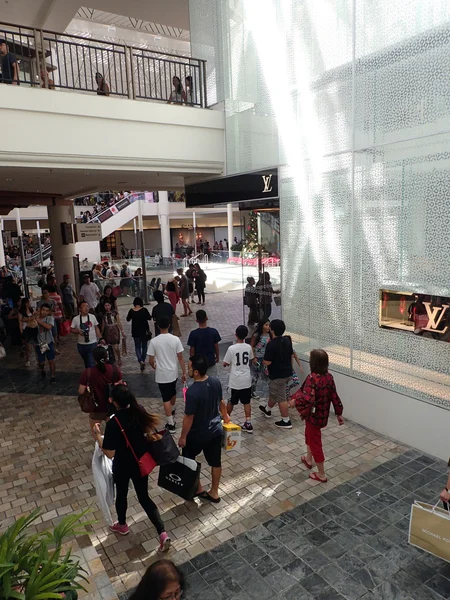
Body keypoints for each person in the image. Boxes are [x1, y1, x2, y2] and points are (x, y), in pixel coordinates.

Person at [95, 384, 171, 551]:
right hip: (140, 463)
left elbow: (109, 453)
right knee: (144, 497)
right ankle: (162, 532)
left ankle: (122, 524)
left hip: (122, 465)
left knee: (121, 494)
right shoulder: (139, 411)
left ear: (114, 402)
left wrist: (97, 437)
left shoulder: (114, 422)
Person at [178, 355, 230, 503]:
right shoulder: (215, 381)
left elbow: (189, 417)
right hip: (215, 431)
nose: (188, 370)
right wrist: (225, 416)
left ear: (195, 372)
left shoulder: (193, 392)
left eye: (189, 367)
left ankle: (198, 488)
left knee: (189, 459)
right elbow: (221, 402)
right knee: (216, 462)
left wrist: (183, 437)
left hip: (196, 434)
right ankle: (214, 492)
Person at [289, 349, 344, 483]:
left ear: (313, 363)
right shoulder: (329, 377)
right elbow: (334, 396)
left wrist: (294, 401)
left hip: (312, 416)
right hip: (322, 415)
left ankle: (321, 474)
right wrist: (339, 413)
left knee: (315, 443)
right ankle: (308, 459)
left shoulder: (312, 378)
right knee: (309, 435)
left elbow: (306, 398)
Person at [147, 316, 186, 434]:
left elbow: (150, 359)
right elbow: (180, 357)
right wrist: (184, 372)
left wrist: (154, 366)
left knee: (165, 397)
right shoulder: (175, 339)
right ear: (169, 325)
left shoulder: (154, 341)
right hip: (173, 372)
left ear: (158, 326)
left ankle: (170, 423)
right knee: (173, 392)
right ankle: (172, 409)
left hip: (161, 374)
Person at [259, 319, 293, 429]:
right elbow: (291, 355)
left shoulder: (271, 344)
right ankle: (267, 409)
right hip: (287, 372)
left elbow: (267, 361)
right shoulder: (287, 340)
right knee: (275, 392)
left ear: (272, 330)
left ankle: (286, 420)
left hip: (277, 375)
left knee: (281, 398)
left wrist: (263, 362)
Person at [78, 346, 122, 430]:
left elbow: (81, 391)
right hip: (112, 407)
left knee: (96, 432)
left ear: (94, 358)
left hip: (96, 409)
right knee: (113, 432)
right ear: (106, 356)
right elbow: (120, 386)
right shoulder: (115, 369)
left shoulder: (88, 373)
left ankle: (99, 442)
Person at [223, 325, 253, 433]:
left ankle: (225, 420)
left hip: (235, 380)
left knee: (231, 401)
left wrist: (226, 364)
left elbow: (225, 363)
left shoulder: (231, 348)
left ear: (236, 335)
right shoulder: (248, 347)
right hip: (246, 379)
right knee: (247, 402)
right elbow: (251, 358)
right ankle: (248, 423)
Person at [187, 310, 221, 376]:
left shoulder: (193, 334)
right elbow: (216, 347)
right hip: (211, 361)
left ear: (196, 320)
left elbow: (192, 351)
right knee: (211, 381)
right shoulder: (213, 332)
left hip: (199, 364)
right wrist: (217, 357)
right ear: (206, 318)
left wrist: (192, 362)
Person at [71, 301, 103, 368]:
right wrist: (78, 331)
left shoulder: (92, 317)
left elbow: (96, 328)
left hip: (92, 343)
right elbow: (71, 329)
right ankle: (89, 374)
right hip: (81, 345)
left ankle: (91, 376)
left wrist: (100, 338)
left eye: (87, 306)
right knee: (87, 362)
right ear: (79, 309)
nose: (86, 308)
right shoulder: (75, 319)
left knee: (91, 364)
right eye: (84, 306)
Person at [126, 297, 152, 371]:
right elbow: (149, 318)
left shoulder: (131, 311)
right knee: (144, 347)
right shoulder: (144, 310)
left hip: (135, 331)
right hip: (144, 331)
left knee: (137, 347)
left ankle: (140, 360)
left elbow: (128, 319)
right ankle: (143, 360)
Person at [35, 303, 56, 382]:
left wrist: (38, 320)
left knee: (51, 360)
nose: (44, 312)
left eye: (47, 311)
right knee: (41, 362)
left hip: (48, 341)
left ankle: (53, 375)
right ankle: (42, 369)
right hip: (40, 343)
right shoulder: (35, 318)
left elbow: (48, 327)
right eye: (43, 310)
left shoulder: (50, 318)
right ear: (40, 310)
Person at [250, 320, 271, 400]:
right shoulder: (256, 335)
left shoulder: (270, 335)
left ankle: (271, 391)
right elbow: (251, 346)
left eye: (269, 325)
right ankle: (252, 391)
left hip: (265, 358)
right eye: (266, 325)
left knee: (267, 374)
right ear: (262, 326)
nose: (268, 327)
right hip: (257, 358)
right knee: (256, 375)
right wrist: (253, 357)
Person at [101, 301, 125, 365]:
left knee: (116, 346)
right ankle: (113, 358)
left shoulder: (115, 313)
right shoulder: (104, 315)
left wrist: (122, 331)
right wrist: (101, 334)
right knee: (110, 346)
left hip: (114, 330)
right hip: (107, 331)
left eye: (108, 305)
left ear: (111, 305)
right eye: (105, 305)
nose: (107, 307)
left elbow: (118, 322)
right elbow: (103, 325)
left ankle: (119, 357)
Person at [18, 297, 38, 367]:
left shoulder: (31, 309)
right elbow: (20, 321)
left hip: (33, 328)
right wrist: (21, 331)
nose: (29, 303)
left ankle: (38, 360)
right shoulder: (21, 311)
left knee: (36, 346)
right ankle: (28, 360)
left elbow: (34, 317)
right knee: (28, 347)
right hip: (26, 329)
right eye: (28, 302)